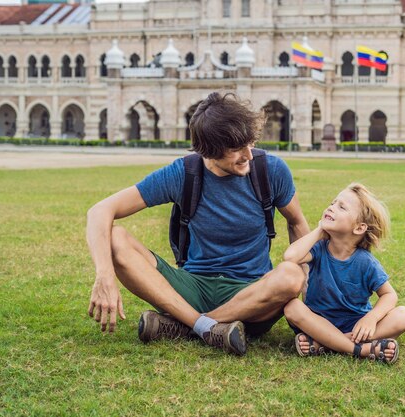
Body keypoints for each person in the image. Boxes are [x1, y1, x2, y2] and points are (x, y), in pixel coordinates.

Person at [86, 92, 309, 355]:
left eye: (250, 143)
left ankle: (187, 325)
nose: (248, 154)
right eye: (236, 148)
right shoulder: (184, 173)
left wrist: (312, 303)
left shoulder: (270, 170)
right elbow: (100, 211)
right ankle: (205, 326)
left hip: (252, 294)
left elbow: (297, 224)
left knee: (291, 275)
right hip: (192, 285)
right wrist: (104, 275)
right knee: (116, 238)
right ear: (209, 150)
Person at [283, 183, 405, 364]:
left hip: (355, 325)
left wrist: (371, 319)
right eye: (333, 203)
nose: (331, 207)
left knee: (403, 315)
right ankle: (359, 349)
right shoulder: (319, 249)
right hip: (317, 322)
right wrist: (320, 230)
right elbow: (290, 257)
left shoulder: (365, 262)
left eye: (341, 207)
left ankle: (326, 344)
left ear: (359, 228)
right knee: (292, 307)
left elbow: (389, 295)